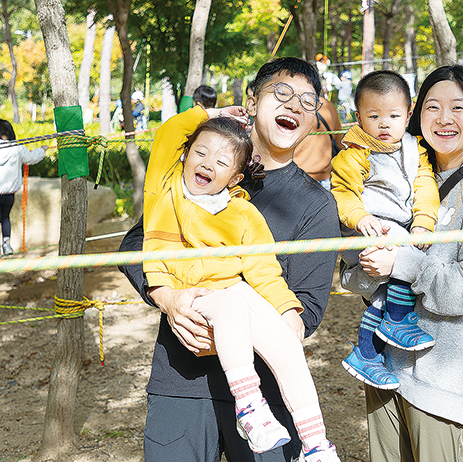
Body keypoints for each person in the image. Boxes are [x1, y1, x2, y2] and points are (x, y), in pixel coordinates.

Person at [118, 57, 341, 462]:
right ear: (251, 101)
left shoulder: (317, 205)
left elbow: (306, 309)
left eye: (308, 102)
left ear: (314, 121)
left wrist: (252, 328)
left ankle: (314, 441)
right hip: (182, 376)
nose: (294, 106)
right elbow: (137, 243)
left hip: (266, 390)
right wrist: (168, 300)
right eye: (282, 93)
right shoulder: (199, 174)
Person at [341, 65, 463, 461]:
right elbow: (354, 277)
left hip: (441, 382)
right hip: (383, 369)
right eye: (433, 107)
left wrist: (402, 262)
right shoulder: (399, 182)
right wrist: (367, 266)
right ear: (417, 116)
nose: (445, 118)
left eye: (458, 107)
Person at [331, 70, 439, 390]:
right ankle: (397, 321)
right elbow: (342, 192)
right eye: (373, 115)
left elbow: (426, 189)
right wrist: (358, 216)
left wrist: (423, 223)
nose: (383, 124)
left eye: (393, 115)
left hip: (399, 230)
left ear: (408, 114)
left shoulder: (414, 149)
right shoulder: (355, 152)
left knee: (384, 291)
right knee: (402, 255)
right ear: (358, 115)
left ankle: (366, 353)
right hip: (362, 231)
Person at [0, 119, 47, 256]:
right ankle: (6, 245)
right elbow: (32, 158)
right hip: (9, 193)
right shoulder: (17, 148)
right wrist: (42, 150)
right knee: (5, 217)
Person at [293, 97, 342, 189]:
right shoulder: (328, 105)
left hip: (296, 177)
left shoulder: (292, 106)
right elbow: (340, 143)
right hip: (326, 178)